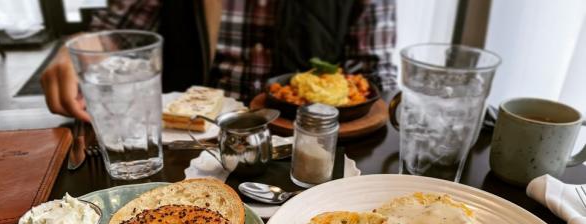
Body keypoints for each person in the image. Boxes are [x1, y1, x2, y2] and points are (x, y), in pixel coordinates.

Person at [41, 0, 397, 122]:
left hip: (304, 145)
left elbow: (373, 76)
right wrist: (78, 50)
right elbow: (114, 35)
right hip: (187, 136)